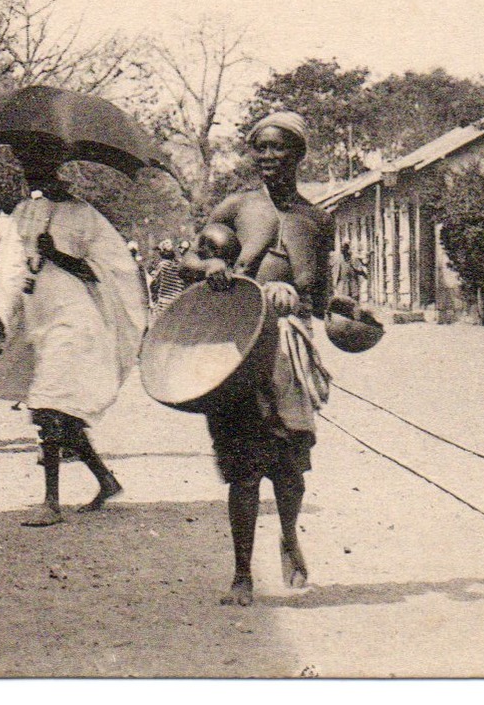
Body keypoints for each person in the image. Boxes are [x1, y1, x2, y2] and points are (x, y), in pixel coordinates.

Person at [184, 111, 334, 605]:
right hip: (239, 346)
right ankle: (242, 574)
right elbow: (188, 258)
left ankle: (289, 536)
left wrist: (346, 312)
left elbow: (325, 296)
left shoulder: (317, 220)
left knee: (290, 464)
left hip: (288, 348)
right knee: (243, 465)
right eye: (262, 148)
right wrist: (209, 266)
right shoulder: (236, 206)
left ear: (299, 154)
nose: (270, 157)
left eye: (280, 148)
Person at [0, 135, 145, 527]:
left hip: (75, 319)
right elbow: (9, 271)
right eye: (27, 166)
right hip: (39, 318)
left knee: (47, 407)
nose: (32, 173)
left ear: (56, 167)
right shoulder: (26, 212)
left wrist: (57, 253)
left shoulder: (84, 215)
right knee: (62, 413)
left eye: (39, 165)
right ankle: (106, 480)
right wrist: (0, 317)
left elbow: (111, 272)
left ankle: (51, 502)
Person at [149, 238, 187, 314]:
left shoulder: (162, 266)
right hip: (178, 301)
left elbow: (154, 284)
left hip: (164, 302)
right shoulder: (179, 265)